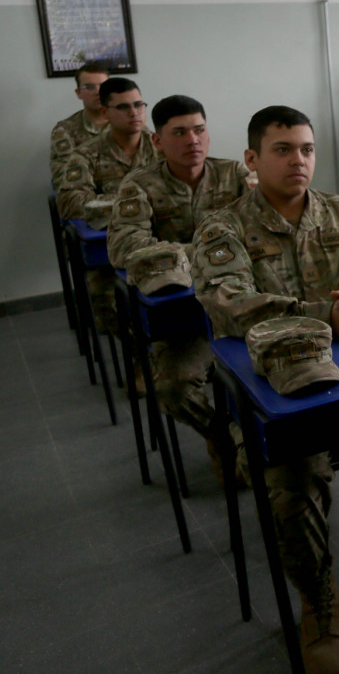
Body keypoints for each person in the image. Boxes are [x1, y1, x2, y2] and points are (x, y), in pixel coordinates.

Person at [192, 106, 339, 673]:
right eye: (283, 149)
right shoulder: (222, 228)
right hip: (284, 394)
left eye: (306, 149)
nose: (298, 160)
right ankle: (318, 596)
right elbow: (228, 304)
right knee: (292, 474)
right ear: (253, 160)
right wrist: (324, 313)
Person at [108, 95, 253, 478]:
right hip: (184, 319)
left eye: (199, 130)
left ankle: (249, 436)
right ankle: (220, 433)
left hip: (241, 307)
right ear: (157, 141)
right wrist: (208, 250)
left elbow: (261, 231)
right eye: (180, 132)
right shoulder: (139, 186)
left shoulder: (235, 174)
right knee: (173, 389)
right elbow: (123, 247)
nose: (193, 140)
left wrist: (173, 254)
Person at [55, 77, 160, 333]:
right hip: (110, 247)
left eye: (138, 104)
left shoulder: (161, 145)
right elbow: (70, 203)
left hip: (161, 238)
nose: (134, 113)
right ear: (105, 112)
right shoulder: (87, 154)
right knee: (110, 310)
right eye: (124, 107)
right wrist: (134, 206)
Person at [49, 62, 110, 181]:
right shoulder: (65, 130)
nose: (98, 92)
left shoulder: (128, 121)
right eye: (89, 87)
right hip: (89, 194)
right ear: (78, 93)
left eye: (103, 86)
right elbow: (66, 177)